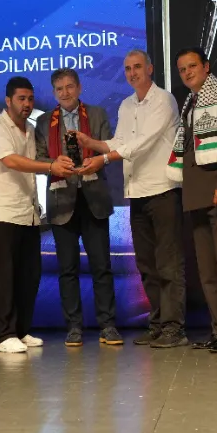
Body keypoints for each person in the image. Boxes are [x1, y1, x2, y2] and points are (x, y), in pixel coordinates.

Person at [74, 51, 188, 348]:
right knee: (147, 264)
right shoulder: (126, 105)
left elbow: (143, 143)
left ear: (150, 68)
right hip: (136, 191)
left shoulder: (164, 100)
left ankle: (175, 328)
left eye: (137, 67)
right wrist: (93, 144)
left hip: (163, 189)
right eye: (127, 68)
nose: (132, 73)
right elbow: (121, 142)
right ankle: (158, 324)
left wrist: (103, 159)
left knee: (168, 263)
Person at [0, 77, 74, 353]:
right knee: (4, 276)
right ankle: (2, 335)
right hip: (0, 212)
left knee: (28, 275)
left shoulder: (31, 129)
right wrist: (51, 167)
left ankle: (20, 331)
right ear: (8, 100)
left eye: (30, 99)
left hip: (28, 213)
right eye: (21, 99)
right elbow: (11, 161)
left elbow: (36, 163)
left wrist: (56, 163)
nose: (27, 104)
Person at [35, 69, 121, 347]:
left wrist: (95, 158)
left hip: (94, 198)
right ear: (54, 93)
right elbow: (39, 158)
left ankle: (108, 325)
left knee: (101, 266)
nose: (65, 92)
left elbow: (109, 149)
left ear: (80, 88)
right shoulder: (44, 121)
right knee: (67, 269)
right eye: (59, 88)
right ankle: (73, 327)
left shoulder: (97, 114)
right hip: (62, 201)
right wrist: (53, 163)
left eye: (69, 86)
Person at [171, 47, 217, 353]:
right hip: (195, 196)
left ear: (206, 66)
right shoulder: (190, 102)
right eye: (182, 69)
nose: (187, 73)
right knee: (207, 271)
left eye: (192, 66)